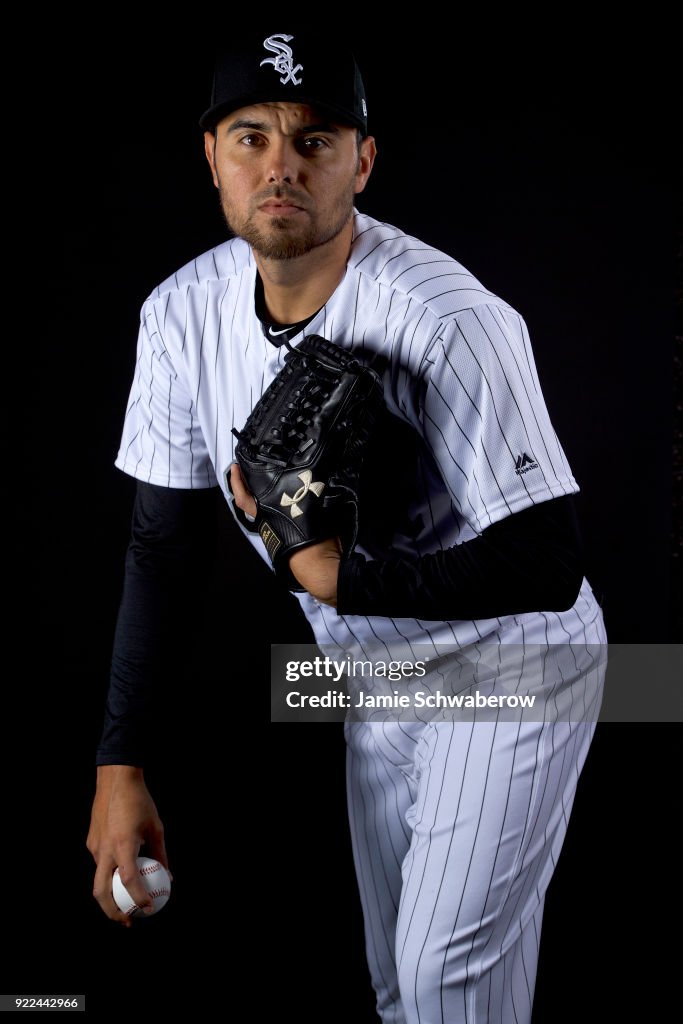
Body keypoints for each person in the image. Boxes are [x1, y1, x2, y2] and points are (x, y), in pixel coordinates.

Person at [87, 28, 607, 1023]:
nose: (280, 162)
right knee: (394, 985)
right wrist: (121, 765)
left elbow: (549, 561)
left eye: (314, 138)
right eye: (251, 136)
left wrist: (340, 579)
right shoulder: (180, 316)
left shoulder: (445, 316)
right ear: (212, 156)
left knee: (444, 976)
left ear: (359, 162)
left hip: (515, 661)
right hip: (371, 673)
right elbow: (165, 544)